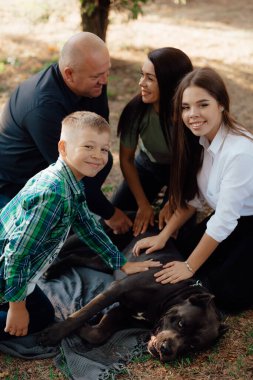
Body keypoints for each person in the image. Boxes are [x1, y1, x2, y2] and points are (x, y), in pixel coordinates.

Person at [0, 111, 161, 340]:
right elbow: (16, 255)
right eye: (88, 147)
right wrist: (17, 308)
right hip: (7, 268)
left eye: (104, 149)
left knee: (44, 312)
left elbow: (88, 227)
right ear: (63, 148)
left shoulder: (70, 183)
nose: (98, 155)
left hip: (16, 269)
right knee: (33, 317)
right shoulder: (54, 195)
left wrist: (122, 263)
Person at [133, 67, 253, 310]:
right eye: (186, 107)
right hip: (233, 221)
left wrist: (189, 267)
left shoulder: (240, 151)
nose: (193, 114)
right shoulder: (202, 141)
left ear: (221, 104)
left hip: (247, 225)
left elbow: (224, 221)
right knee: (181, 250)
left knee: (224, 295)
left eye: (203, 104)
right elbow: (195, 199)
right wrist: (163, 235)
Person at [0, 31, 132, 234]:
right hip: (15, 181)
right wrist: (110, 213)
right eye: (97, 76)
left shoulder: (94, 83)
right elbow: (68, 173)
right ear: (69, 74)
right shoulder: (43, 107)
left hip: (48, 162)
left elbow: (98, 132)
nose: (104, 81)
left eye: (107, 72)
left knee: (101, 160)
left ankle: (75, 211)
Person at [111, 47, 193, 236]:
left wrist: (174, 199)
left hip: (182, 171)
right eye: (142, 75)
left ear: (169, 83)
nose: (141, 83)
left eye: (150, 78)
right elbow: (126, 160)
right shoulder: (136, 110)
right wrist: (143, 204)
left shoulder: (190, 113)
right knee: (118, 216)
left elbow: (195, 163)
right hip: (147, 165)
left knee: (176, 229)